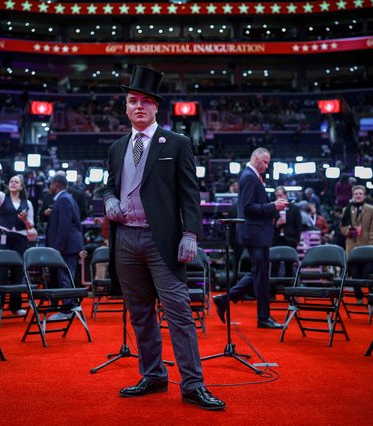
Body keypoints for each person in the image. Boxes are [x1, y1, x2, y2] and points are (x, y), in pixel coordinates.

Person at [102, 65, 225, 410]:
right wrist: (109, 199)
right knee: (140, 314)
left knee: (179, 313)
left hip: (163, 242)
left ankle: (192, 384)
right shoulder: (116, 148)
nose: (138, 106)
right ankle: (154, 375)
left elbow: (190, 194)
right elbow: (109, 185)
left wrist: (190, 233)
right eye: (132, 101)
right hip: (125, 240)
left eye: (144, 101)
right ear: (125, 108)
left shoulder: (178, 143)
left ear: (156, 107)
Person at [213, 148, 289, 330]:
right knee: (260, 275)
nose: (267, 165)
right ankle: (263, 317)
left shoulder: (250, 176)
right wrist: (273, 206)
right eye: (265, 161)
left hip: (256, 233)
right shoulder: (249, 177)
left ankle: (225, 299)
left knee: (259, 273)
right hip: (255, 233)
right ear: (255, 158)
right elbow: (248, 207)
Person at [0, 174, 35, 316]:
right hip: (3, 237)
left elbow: (31, 226)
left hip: (20, 239)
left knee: (18, 272)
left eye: (16, 182)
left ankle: (16, 306)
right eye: (11, 181)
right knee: (0, 272)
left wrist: (25, 220)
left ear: (21, 186)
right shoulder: (2, 198)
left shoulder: (28, 203)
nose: (13, 183)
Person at [45, 173, 85, 319]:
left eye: (51, 184)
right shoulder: (66, 199)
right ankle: (71, 305)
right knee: (68, 275)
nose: (50, 187)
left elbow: (64, 226)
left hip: (66, 245)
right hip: (70, 244)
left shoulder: (63, 200)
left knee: (65, 276)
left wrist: (57, 248)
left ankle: (67, 309)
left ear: (56, 184)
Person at [340, 185, 373, 303]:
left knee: (368, 273)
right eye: (356, 194)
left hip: (368, 247)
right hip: (352, 247)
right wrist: (348, 231)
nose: (358, 195)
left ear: (364, 195)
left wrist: (372, 245)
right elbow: (342, 227)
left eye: (360, 194)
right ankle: (359, 297)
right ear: (353, 196)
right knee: (354, 274)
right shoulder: (346, 209)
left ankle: (372, 296)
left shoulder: (372, 209)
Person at [271, 185, 303, 279]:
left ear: (285, 195)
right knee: (274, 265)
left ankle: (289, 288)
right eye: (277, 196)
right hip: (276, 239)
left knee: (289, 265)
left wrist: (296, 241)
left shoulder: (294, 209)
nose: (278, 198)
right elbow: (269, 225)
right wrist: (276, 224)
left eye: (280, 195)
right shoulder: (273, 209)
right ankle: (272, 289)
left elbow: (299, 226)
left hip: (290, 240)